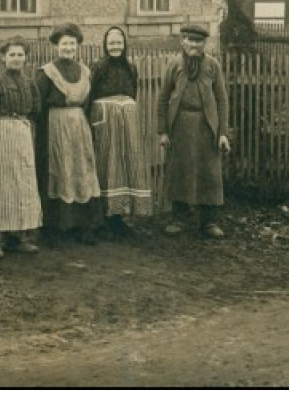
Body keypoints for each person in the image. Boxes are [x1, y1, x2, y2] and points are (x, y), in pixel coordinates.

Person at [157, 23, 232, 239]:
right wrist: (163, 131)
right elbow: (162, 98)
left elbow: (221, 100)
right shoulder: (174, 65)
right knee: (180, 170)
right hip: (180, 124)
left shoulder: (212, 66)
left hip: (207, 126)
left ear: (204, 43)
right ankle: (178, 219)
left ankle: (209, 222)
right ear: (182, 41)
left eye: (198, 41)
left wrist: (223, 133)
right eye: (189, 40)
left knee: (209, 173)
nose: (193, 45)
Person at [34, 22, 103, 246]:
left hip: (79, 126)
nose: (68, 48)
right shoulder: (46, 73)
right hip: (55, 127)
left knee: (81, 171)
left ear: (77, 46)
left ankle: (84, 227)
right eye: (64, 44)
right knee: (60, 171)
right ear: (56, 45)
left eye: (72, 44)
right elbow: (38, 107)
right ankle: (57, 230)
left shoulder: (84, 71)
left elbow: (89, 103)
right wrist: (44, 137)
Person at [0, 39, 43, 259]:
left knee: (21, 185)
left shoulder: (30, 83)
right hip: (0, 134)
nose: (16, 59)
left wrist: (27, 132)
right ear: (3, 57)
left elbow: (36, 112)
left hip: (22, 135)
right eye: (12, 55)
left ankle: (16, 238)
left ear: (26, 58)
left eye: (20, 55)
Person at [89, 25, 152, 234]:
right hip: (106, 122)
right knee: (107, 164)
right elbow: (90, 96)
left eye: (119, 43)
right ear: (105, 46)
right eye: (111, 43)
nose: (115, 47)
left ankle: (119, 217)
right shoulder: (97, 67)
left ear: (124, 45)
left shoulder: (131, 68)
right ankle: (103, 218)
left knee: (127, 164)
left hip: (127, 121)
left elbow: (133, 92)